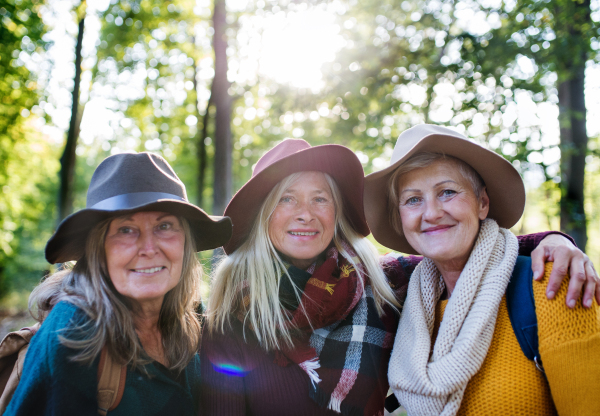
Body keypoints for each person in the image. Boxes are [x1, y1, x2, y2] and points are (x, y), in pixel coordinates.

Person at [199, 139, 593, 416]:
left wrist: (555, 241)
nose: (306, 212)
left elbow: (465, 252)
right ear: (262, 216)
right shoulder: (229, 317)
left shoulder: (379, 284)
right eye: (286, 198)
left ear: (336, 213)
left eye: (320, 198)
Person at [364, 124, 600, 415]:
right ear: (401, 218)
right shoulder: (403, 305)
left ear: (482, 203)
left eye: (447, 192)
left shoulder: (553, 284)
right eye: (413, 199)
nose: (432, 212)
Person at [4, 152, 232, 416]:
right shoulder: (74, 333)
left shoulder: (193, 313)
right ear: (98, 249)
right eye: (125, 230)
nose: (149, 248)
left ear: (186, 241)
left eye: (165, 226)